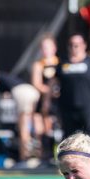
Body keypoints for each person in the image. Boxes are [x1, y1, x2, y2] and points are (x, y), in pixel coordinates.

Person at [0, 65, 40, 163]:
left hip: (23, 93)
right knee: (35, 123)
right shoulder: (5, 78)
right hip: (32, 91)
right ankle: (38, 155)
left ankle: (25, 158)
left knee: (23, 128)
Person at [56, 33, 90, 140]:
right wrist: (47, 100)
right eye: (71, 45)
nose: (74, 47)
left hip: (88, 106)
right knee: (69, 137)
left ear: (84, 45)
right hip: (67, 106)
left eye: (77, 45)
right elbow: (54, 81)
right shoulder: (63, 62)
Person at [30, 35, 60, 163]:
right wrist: (50, 92)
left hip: (59, 100)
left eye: (48, 47)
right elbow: (36, 83)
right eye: (44, 47)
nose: (46, 50)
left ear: (54, 48)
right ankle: (45, 155)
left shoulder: (60, 63)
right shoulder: (38, 64)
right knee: (43, 129)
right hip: (45, 101)